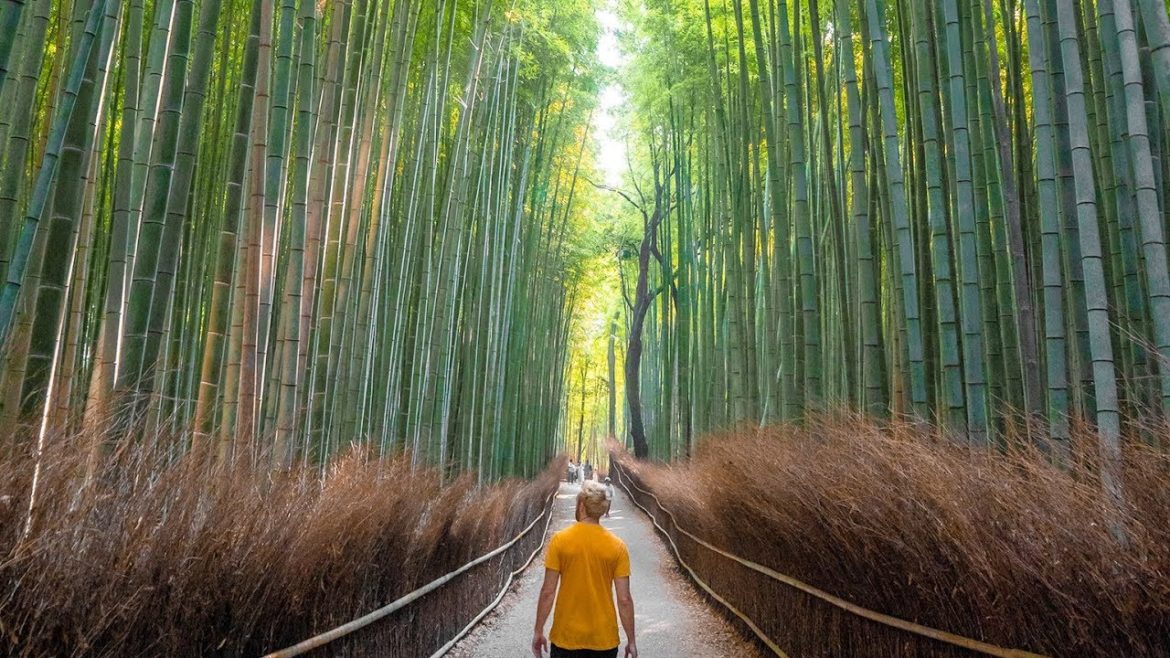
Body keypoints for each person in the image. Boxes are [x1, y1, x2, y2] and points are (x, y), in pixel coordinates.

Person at [532, 481, 637, 658]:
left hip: (566, 638)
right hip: (603, 640)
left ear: (581, 505)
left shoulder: (560, 540)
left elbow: (548, 592)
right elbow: (624, 599)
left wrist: (538, 630)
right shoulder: (617, 546)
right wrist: (631, 640)